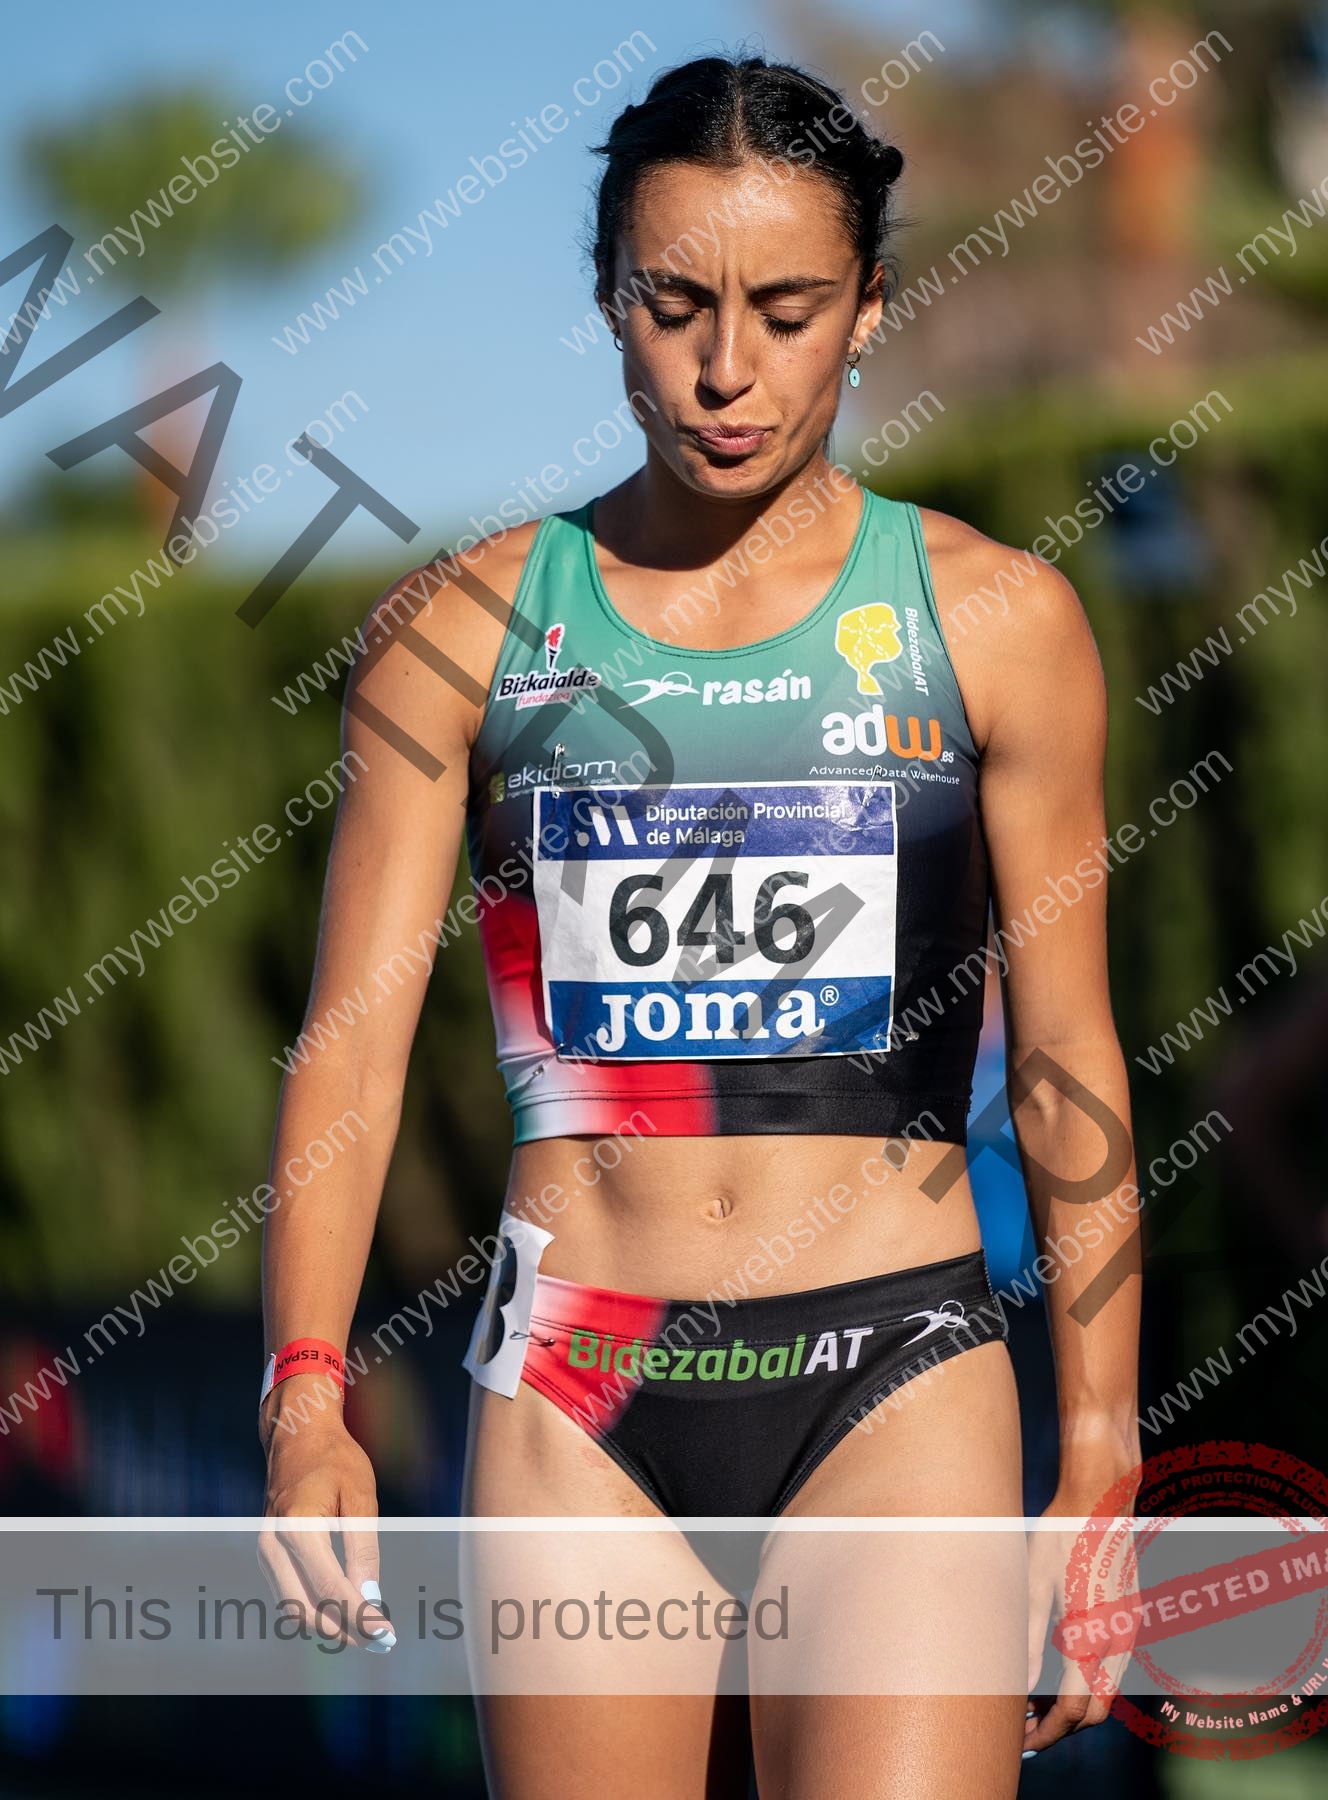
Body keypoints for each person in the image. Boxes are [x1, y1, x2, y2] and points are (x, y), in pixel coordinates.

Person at [257, 52, 1141, 1799]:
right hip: (579, 1387)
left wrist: (1101, 1449)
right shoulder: (465, 629)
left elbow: (1061, 1061)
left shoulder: (998, 623)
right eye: (674, 306)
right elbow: (350, 1039)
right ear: (608, 301)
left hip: (892, 1374)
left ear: (871, 308)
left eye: (788, 308)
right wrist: (301, 1397)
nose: (727, 368)